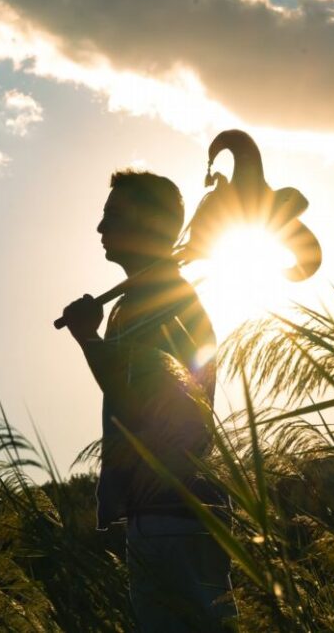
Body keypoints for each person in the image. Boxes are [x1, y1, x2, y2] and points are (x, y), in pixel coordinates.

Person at [59, 170, 236, 631]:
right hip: (167, 512)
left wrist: (87, 339)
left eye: (112, 216)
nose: (100, 228)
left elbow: (141, 392)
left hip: (172, 513)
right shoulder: (145, 299)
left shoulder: (156, 301)